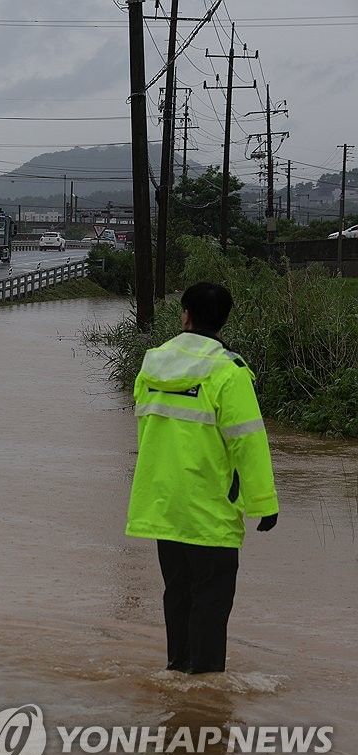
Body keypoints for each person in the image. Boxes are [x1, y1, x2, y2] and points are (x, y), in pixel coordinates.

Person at [126, 282, 279, 674]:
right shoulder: (229, 371)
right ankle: (206, 690)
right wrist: (264, 503)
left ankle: (177, 671)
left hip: (162, 503)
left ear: (185, 315)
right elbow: (248, 441)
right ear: (224, 320)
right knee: (210, 599)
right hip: (209, 508)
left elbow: (146, 427)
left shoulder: (153, 362)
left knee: (177, 593)